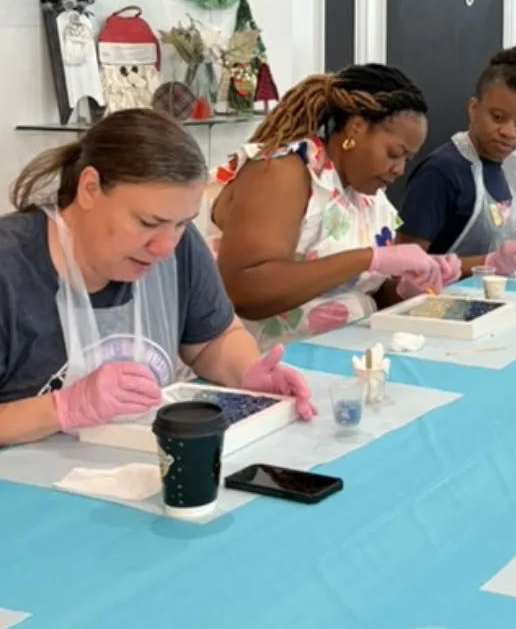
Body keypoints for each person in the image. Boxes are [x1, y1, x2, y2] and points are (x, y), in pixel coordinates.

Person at [0, 110, 314, 447]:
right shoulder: (10, 268)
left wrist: (247, 374)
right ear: (89, 188)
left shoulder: (179, 247)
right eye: (147, 223)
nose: (165, 248)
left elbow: (212, 340)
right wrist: (63, 408)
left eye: (181, 224)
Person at [211, 65, 458, 347]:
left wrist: (409, 288)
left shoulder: (367, 194)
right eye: (394, 154)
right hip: (264, 359)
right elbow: (244, 290)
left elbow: (363, 292)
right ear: (356, 127)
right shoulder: (282, 171)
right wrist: (369, 258)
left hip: (343, 352)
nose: (399, 169)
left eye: (407, 159)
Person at [397, 47, 516, 275]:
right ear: (474, 109)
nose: (509, 132)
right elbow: (402, 269)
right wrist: (490, 263)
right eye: (497, 117)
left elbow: (500, 243)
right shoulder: (441, 172)